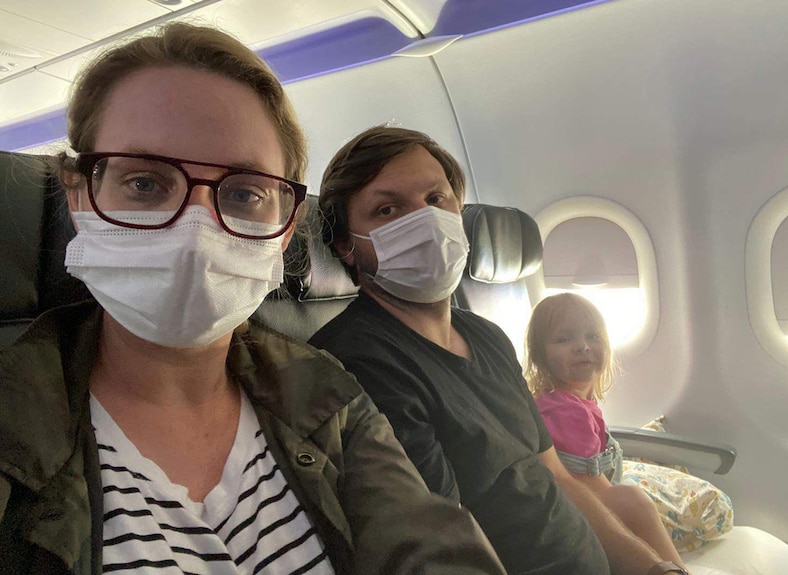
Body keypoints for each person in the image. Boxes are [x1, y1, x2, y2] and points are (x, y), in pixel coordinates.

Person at [0, 24, 506, 575]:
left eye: (243, 194)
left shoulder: (329, 396)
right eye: (144, 183)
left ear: (287, 230)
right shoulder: (13, 417)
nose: (196, 229)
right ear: (79, 196)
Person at [310, 125, 689, 575]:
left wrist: (656, 569)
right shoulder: (357, 365)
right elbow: (444, 549)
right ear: (346, 245)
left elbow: (558, 477)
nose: (425, 222)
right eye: (388, 209)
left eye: (436, 200)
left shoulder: (487, 336)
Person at [525, 293, 687, 567]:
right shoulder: (565, 412)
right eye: (564, 339)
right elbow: (584, 483)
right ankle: (676, 569)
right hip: (572, 510)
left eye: (593, 336)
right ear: (540, 357)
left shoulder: (572, 401)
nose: (582, 347)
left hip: (578, 502)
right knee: (631, 499)